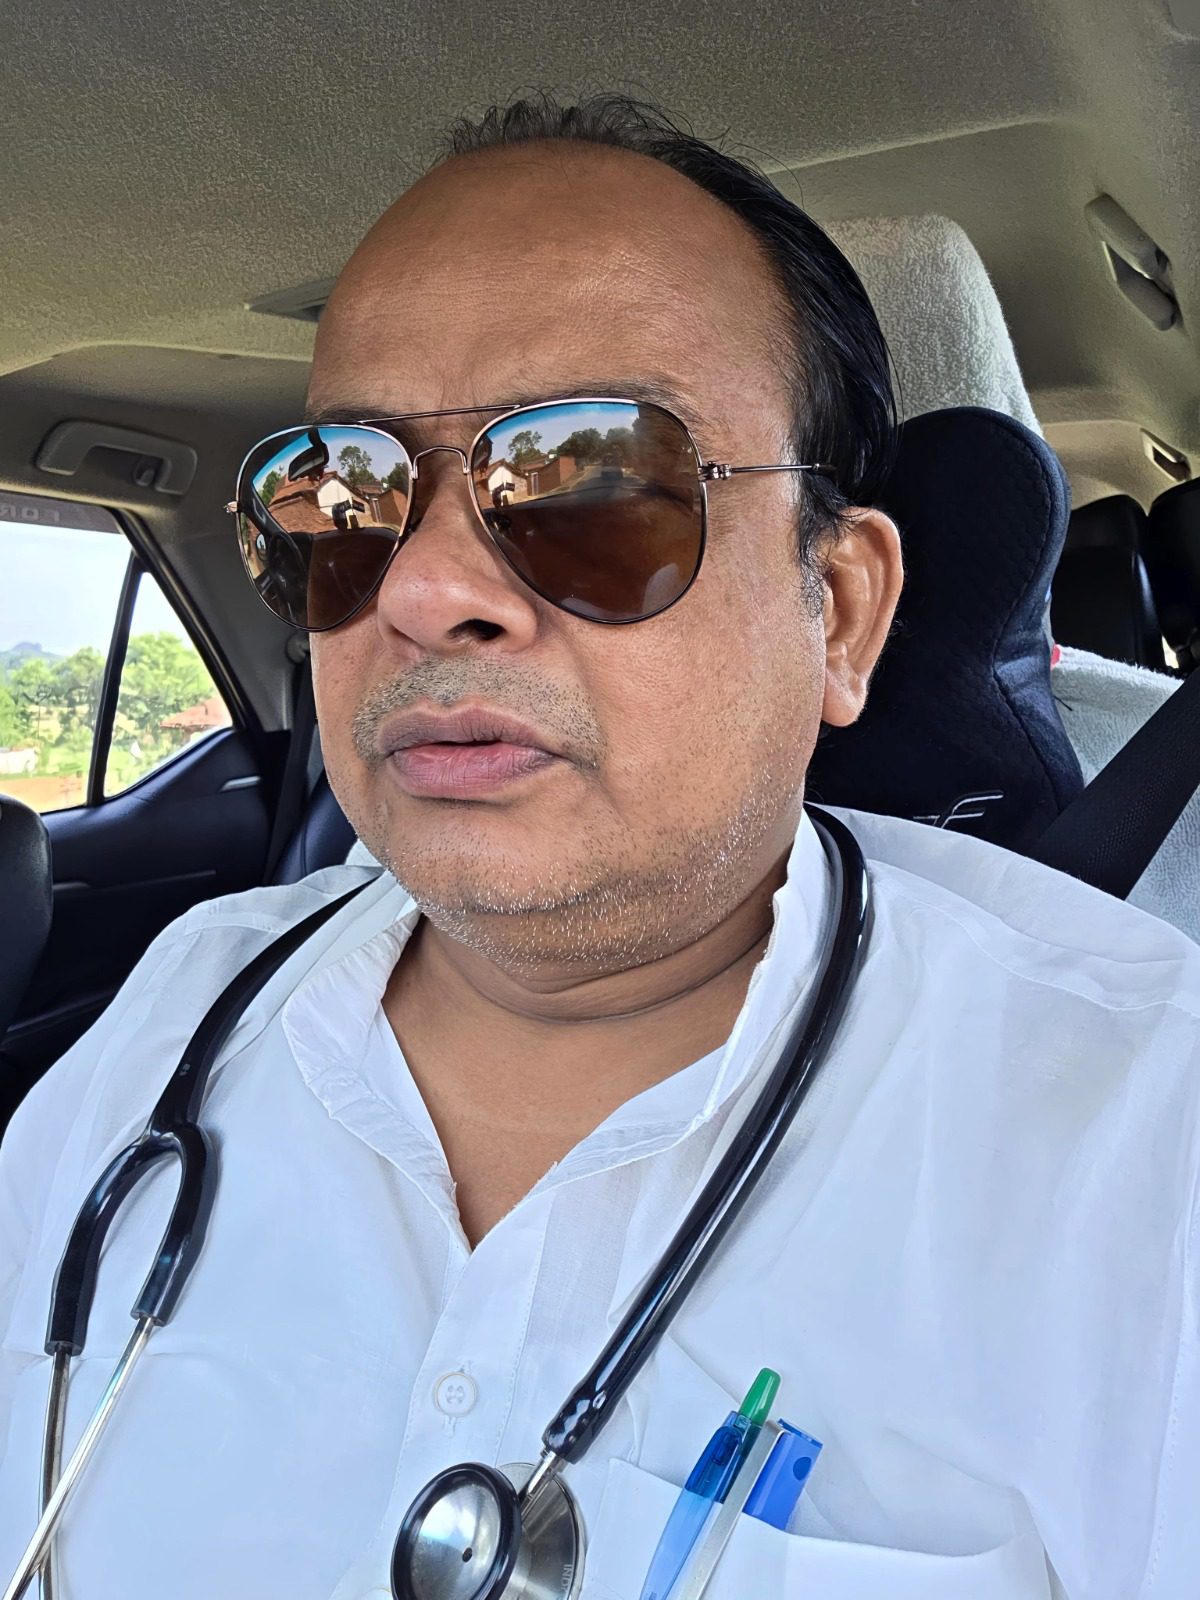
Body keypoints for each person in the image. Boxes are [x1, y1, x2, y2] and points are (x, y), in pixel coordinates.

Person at [2, 94, 1198, 1600]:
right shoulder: (185, 1008)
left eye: (595, 486)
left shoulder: (1143, 1142)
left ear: (838, 612)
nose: (423, 589)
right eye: (343, 496)